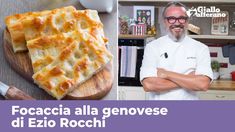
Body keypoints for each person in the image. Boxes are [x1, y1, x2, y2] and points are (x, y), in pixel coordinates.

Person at [140, 2, 213, 100]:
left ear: (187, 21)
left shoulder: (201, 48)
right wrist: (189, 80)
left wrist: (167, 74)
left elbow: (203, 84)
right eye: (171, 18)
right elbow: (148, 85)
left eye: (181, 18)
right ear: (165, 21)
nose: (177, 23)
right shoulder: (152, 47)